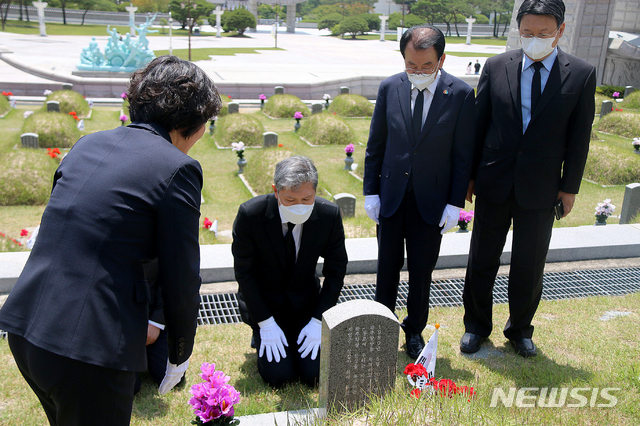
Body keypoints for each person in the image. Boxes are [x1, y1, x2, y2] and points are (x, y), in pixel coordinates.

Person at [0, 55, 221, 425]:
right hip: (87, 349)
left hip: (28, 327)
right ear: (195, 123)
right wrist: (179, 353)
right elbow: (181, 273)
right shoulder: (178, 167)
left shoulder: (88, 143)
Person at [460, 0, 596, 358]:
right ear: (518, 30)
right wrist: (470, 177)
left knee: (529, 262)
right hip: (494, 179)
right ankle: (475, 326)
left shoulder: (581, 73)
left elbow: (579, 137)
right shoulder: (496, 66)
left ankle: (520, 330)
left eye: (543, 33)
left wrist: (569, 188)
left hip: (542, 185)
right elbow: (479, 124)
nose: (534, 39)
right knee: (482, 258)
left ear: (560, 31)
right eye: (527, 33)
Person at [363, 25, 476, 359]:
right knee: (387, 265)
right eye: (411, 65)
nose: (418, 72)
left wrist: (455, 203)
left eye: (427, 66)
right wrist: (372, 191)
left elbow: (462, 155)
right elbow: (376, 145)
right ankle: (382, 326)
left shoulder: (459, 93)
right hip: (392, 194)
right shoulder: (390, 87)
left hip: (432, 199)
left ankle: (414, 330)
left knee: (421, 270)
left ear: (441, 59)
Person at [232, 156, 347, 387]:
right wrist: (265, 323)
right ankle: (260, 335)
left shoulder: (329, 215)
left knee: (314, 375)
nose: (299, 205)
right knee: (279, 376)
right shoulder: (251, 215)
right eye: (290, 199)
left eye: (307, 198)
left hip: (305, 303)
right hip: (266, 304)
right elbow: (245, 274)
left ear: (316, 190)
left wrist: (318, 320)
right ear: (276, 191)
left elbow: (336, 270)